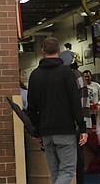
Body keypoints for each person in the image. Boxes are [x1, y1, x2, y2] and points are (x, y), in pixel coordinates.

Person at [26, 37, 88, 184]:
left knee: (55, 173)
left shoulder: (35, 75)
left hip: (46, 131)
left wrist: (36, 131)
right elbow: (75, 102)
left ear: (42, 51)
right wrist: (83, 127)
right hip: (65, 129)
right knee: (67, 171)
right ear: (59, 52)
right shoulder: (66, 72)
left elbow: (31, 108)